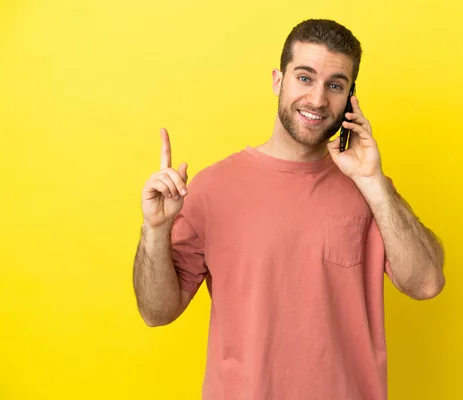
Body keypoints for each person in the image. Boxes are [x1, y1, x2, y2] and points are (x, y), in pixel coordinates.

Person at [133, 18, 445, 400]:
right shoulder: (212, 188)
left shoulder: (369, 188)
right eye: (304, 77)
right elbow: (156, 312)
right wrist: (155, 230)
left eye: (335, 85)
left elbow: (427, 283)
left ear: (350, 99)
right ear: (278, 81)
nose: (317, 99)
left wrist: (375, 184)